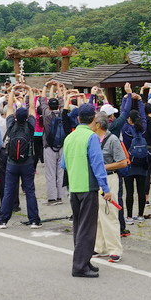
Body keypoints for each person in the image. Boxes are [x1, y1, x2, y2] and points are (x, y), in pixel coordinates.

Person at [61, 103, 112, 278]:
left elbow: (63, 164)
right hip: (88, 186)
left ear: (78, 119)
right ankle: (80, 266)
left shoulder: (70, 137)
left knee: (78, 226)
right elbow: (98, 165)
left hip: (73, 186)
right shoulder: (91, 138)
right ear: (94, 119)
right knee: (87, 228)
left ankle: (84, 260)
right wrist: (105, 188)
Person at [0, 84, 42, 229]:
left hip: (12, 162)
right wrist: (29, 91)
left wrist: (11, 91)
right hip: (27, 161)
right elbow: (33, 108)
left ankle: (3, 220)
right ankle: (34, 220)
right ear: (27, 117)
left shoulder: (10, 125)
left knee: (9, 191)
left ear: (15, 116)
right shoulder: (30, 126)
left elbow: (9, 107)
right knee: (30, 190)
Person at [90, 111, 127, 263]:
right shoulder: (92, 139)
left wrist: (103, 167)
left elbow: (123, 162)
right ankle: (100, 247)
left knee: (109, 214)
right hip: (96, 180)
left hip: (110, 178)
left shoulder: (112, 140)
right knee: (97, 216)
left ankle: (115, 249)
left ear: (98, 125)